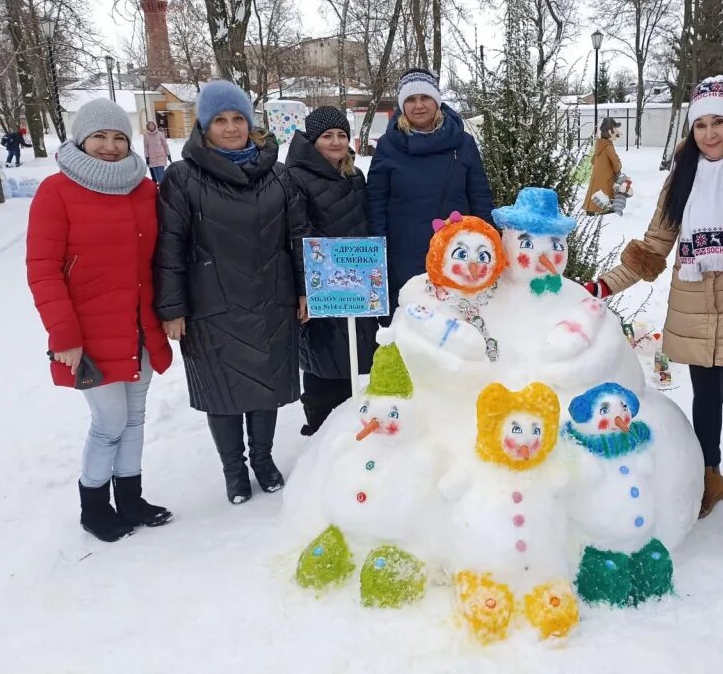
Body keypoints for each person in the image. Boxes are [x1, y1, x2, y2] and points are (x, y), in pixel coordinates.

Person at [585, 76, 723, 566]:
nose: (710, 134)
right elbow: (653, 248)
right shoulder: (681, 179)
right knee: (705, 403)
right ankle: (710, 478)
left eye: (719, 122)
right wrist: (602, 286)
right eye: (701, 124)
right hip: (692, 309)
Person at [26, 98, 174, 543]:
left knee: (135, 419)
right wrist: (63, 335)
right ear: (81, 139)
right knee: (109, 423)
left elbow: (161, 258)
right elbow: (42, 269)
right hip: (88, 334)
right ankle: (94, 507)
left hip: (139, 327)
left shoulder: (145, 189)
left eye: (118, 138)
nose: (110, 146)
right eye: (99, 137)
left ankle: (131, 499)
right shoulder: (56, 191)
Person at [154, 80, 309, 505]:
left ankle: (263, 459)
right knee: (222, 391)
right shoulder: (182, 177)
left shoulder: (277, 174)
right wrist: (172, 307)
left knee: (266, 384)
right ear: (205, 126)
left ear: (250, 122)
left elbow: (297, 236)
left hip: (270, 298)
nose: (230, 127)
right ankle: (234, 470)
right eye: (220, 120)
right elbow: (169, 245)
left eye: (238, 118)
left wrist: (304, 290)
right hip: (211, 304)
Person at [366, 68, 494, 313]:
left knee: (454, 322)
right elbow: (376, 201)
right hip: (403, 251)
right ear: (403, 106)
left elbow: (479, 195)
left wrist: (488, 241)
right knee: (409, 322)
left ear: (436, 101)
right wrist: (377, 251)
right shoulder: (387, 146)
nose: (419, 105)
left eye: (425, 98)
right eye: (411, 100)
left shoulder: (463, 143)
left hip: (456, 251)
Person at [286, 106, 379, 436]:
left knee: (358, 352)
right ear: (313, 141)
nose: (336, 142)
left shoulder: (354, 175)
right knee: (324, 357)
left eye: (341, 135)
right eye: (327, 136)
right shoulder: (295, 177)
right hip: (322, 280)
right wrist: (306, 287)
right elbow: (298, 232)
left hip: (360, 278)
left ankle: (358, 421)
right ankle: (321, 424)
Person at [583, 117, 623, 214]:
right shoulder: (608, 146)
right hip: (606, 175)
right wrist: (618, 169)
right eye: (615, 130)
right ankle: (602, 208)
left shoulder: (599, 145)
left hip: (597, 175)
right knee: (605, 191)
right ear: (610, 132)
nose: (618, 132)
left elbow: (593, 160)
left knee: (595, 190)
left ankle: (590, 208)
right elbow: (615, 162)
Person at [143, 121, 171, 185]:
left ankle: (165, 188)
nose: (151, 126)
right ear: (147, 127)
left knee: (161, 175)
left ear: (155, 125)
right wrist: (147, 157)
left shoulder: (160, 134)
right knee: (157, 177)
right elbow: (145, 147)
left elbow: (165, 145)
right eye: (149, 125)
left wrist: (168, 154)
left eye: (152, 125)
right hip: (152, 158)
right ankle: (162, 189)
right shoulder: (146, 136)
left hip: (161, 157)